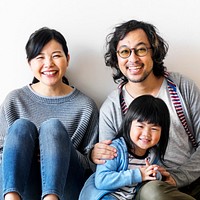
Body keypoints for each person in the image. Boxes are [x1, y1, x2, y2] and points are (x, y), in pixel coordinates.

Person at [90, 19, 200, 199]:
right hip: (150, 187)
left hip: (194, 178)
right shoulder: (112, 107)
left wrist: (179, 177)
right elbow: (107, 166)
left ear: (153, 52)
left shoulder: (181, 87)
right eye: (124, 52)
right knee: (153, 192)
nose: (133, 59)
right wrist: (93, 154)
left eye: (141, 49)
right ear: (117, 58)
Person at [0, 27, 99, 200]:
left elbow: (91, 164)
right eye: (40, 57)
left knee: (52, 128)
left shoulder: (85, 106)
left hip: (66, 187)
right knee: (21, 126)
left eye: (56, 56)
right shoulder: (15, 100)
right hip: (24, 187)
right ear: (29, 63)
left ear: (67, 59)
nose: (48, 64)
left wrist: (54, 150)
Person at [79, 95, 170, 200]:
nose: (146, 134)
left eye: (154, 129)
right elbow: (102, 181)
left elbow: (151, 176)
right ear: (128, 125)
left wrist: (156, 174)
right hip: (106, 196)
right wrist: (139, 174)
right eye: (140, 126)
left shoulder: (153, 154)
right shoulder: (114, 149)